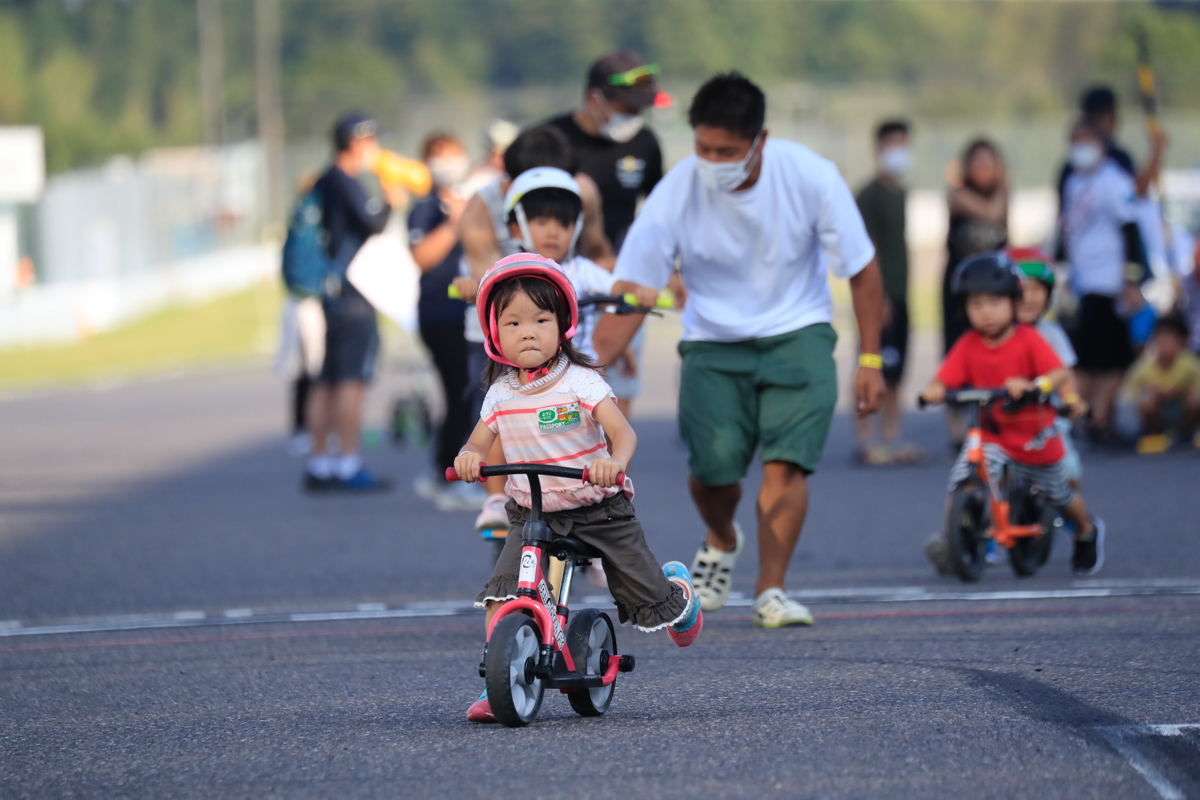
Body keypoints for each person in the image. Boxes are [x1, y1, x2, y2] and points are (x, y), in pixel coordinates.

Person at [593, 73, 886, 628]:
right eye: (703, 148)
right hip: (712, 344)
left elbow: (863, 271)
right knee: (712, 473)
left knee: (786, 466)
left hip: (797, 335)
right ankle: (722, 538)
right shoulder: (675, 193)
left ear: (761, 140)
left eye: (726, 151)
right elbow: (631, 295)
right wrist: (582, 373)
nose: (713, 160)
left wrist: (869, 360)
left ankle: (771, 590)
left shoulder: (810, 177)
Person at [455, 255, 702, 723]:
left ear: (563, 324)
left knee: (648, 596)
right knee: (505, 595)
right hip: (533, 513)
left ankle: (681, 597)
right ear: (494, 333)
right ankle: (500, 680)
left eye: (540, 320)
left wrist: (614, 463)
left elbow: (623, 433)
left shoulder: (581, 382)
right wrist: (468, 458)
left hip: (598, 507)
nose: (528, 331)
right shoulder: (501, 394)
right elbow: (477, 442)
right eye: (513, 322)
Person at [457, 126, 616, 533]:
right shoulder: (484, 213)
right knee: (500, 408)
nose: (552, 230)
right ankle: (496, 495)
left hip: (573, 356)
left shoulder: (582, 201)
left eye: (560, 222)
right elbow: (484, 279)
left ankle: (603, 499)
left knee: (596, 414)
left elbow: (610, 274)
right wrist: (472, 286)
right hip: (508, 346)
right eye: (539, 218)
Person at [922, 252, 1105, 576]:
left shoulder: (1029, 339)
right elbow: (946, 376)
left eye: (994, 303)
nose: (985, 314)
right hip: (992, 433)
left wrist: (1036, 384)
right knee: (964, 476)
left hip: (1034, 435)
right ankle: (954, 540)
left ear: (1012, 302)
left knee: (1058, 491)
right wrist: (934, 388)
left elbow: (1060, 374)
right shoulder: (968, 344)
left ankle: (1086, 529)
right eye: (975, 305)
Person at [543, 51, 669, 419]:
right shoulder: (554, 141)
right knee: (558, 393)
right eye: (627, 108)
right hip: (563, 281)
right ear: (596, 99)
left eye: (640, 110)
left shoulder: (645, 142)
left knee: (618, 388)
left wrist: (671, 268)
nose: (634, 118)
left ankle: (611, 474)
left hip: (623, 279)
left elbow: (659, 212)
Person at [304, 113, 399, 492]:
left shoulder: (324, 180)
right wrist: (390, 200)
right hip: (354, 292)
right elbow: (372, 223)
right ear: (358, 142)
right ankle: (347, 463)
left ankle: (319, 462)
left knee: (326, 380)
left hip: (332, 291)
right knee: (350, 380)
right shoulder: (345, 181)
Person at [1059, 118, 1150, 442]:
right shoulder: (1073, 182)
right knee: (1089, 356)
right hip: (1085, 281)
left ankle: (1097, 416)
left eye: (1084, 141)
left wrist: (1130, 278)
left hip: (1109, 280)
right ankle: (1088, 418)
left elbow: (1130, 230)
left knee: (1115, 357)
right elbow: (1068, 232)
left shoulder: (1114, 180)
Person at [408, 132, 485, 510]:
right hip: (440, 312)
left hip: (470, 311)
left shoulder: (475, 200)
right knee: (460, 391)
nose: (450, 162)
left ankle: (444, 469)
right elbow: (421, 257)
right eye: (441, 156)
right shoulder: (426, 207)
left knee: (464, 393)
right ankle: (452, 473)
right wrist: (455, 222)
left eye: (455, 154)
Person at [854, 119, 923, 465]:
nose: (900, 151)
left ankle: (892, 436)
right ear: (879, 148)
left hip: (901, 292)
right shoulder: (870, 194)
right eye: (894, 144)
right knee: (871, 364)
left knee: (896, 370)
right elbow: (867, 248)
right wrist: (876, 298)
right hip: (879, 297)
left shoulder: (900, 192)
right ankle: (866, 438)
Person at [1011, 246, 1087, 487]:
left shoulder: (1051, 334)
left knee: (1068, 472)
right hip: (1004, 421)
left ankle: (1080, 521)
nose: (1029, 297)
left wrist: (1071, 398)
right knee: (978, 473)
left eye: (1037, 289)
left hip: (1046, 420)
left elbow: (1066, 376)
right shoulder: (996, 337)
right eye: (1021, 289)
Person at [1126, 315, 1200, 451]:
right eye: (1160, 339)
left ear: (1180, 342)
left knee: (1196, 399)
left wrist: (1177, 393)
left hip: (1181, 409)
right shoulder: (1144, 366)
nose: (1164, 343)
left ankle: (1183, 434)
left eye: (1169, 339)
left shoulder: (1190, 363)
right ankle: (1155, 434)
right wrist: (1152, 393)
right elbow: (1129, 395)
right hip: (1158, 412)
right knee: (1146, 401)